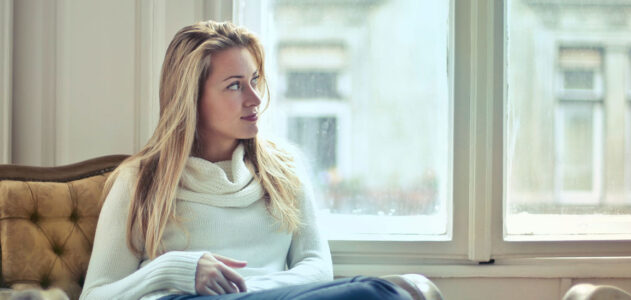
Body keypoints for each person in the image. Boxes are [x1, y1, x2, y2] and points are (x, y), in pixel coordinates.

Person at [80, 21, 411, 300]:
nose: (255, 99)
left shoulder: (284, 169)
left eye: (253, 81)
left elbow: (316, 265)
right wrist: (175, 268)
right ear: (191, 99)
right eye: (235, 86)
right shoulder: (140, 180)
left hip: (270, 296)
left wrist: (246, 292)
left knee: (379, 292)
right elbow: (96, 294)